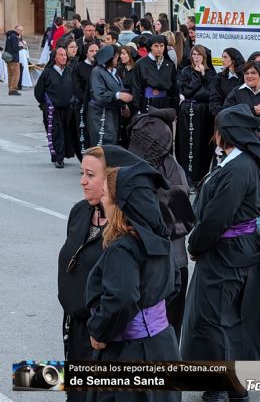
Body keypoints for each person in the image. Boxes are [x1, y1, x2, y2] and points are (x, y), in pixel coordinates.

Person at [181, 104, 260, 402]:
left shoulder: (239, 169)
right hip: (237, 249)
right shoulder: (238, 162)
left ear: (228, 134)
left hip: (226, 252)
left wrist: (195, 244)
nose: (214, 135)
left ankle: (222, 386)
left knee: (213, 319)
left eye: (218, 130)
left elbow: (217, 218)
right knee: (232, 319)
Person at [85, 161, 181, 402]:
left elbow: (122, 298)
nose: (102, 201)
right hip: (163, 346)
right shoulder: (160, 238)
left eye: (106, 195)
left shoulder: (124, 247)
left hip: (129, 352)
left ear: (122, 204)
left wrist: (100, 331)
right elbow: (174, 283)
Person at [58, 145, 145, 402]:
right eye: (82, 173)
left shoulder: (126, 228)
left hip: (106, 336)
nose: (83, 181)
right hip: (76, 329)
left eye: (90, 175)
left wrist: (101, 328)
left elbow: (128, 292)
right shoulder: (79, 212)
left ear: (111, 179)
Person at [128, 107, 195, 341]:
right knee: (168, 332)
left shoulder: (145, 177)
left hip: (156, 269)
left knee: (152, 334)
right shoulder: (174, 170)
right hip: (174, 264)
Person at [176, 45, 216, 187]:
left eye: (199, 55)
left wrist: (204, 76)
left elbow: (209, 93)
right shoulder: (186, 71)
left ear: (204, 57)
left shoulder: (211, 73)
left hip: (204, 114)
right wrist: (198, 79)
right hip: (188, 112)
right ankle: (187, 177)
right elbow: (185, 91)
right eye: (194, 54)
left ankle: (201, 176)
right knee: (187, 144)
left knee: (202, 143)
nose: (196, 57)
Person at [34, 47, 76, 168]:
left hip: (68, 108)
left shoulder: (70, 71)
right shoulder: (48, 72)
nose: (64, 57)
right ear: (55, 57)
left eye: (65, 55)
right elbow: (39, 91)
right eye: (61, 55)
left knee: (67, 133)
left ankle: (62, 154)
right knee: (56, 132)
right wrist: (44, 105)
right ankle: (58, 158)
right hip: (53, 109)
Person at [224, 60, 260, 143]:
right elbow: (227, 113)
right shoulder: (236, 92)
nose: (249, 76)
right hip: (243, 139)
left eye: (253, 73)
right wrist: (252, 111)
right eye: (246, 73)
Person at [88, 45, 133, 147]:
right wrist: (118, 95)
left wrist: (123, 106)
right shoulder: (97, 72)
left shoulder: (113, 72)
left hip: (113, 113)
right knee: (104, 142)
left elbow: (118, 88)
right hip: (101, 114)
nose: (119, 58)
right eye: (117, 56)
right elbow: (99, 94)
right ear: (110, 58)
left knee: (113, 141)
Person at [133, 35, 179, 113]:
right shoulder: (141, 63)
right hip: (147, 101)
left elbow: (174, 87)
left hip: (165, 103)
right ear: (150, 47)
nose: (159, 49)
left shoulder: (169, 64)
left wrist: (175, 107)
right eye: (156, 46)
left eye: (162, 46)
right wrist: (137, 107)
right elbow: (137, 86)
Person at [72, 42, 99, 155]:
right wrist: (87, 100)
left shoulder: (100, 67)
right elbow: (77, 88)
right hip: (84, 105)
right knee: (85, 133)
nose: (94, 53)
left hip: (99, 106)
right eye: (91, 51)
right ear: (86, 53)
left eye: (96, 51)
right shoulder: (79, 67)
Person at [209, 48, 245, 116]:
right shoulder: (219, 77)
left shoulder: (244, 78)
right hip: (223, 117)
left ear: (233, 59)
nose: (222, 60)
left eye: (225, 57)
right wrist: (221, 114)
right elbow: (214, 99)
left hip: (241, 117)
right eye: (222, 57)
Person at [4, 25, 22, 95]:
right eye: (20, 31)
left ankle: (10, 88)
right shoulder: (14, 37)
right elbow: (15, 48)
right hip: (14, 58)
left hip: (9, 58)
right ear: (18, 30)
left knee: (10, 74)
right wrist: (21, 47)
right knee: (16, 74)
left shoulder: (9, 36)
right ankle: (13, 89)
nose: (21, 32)